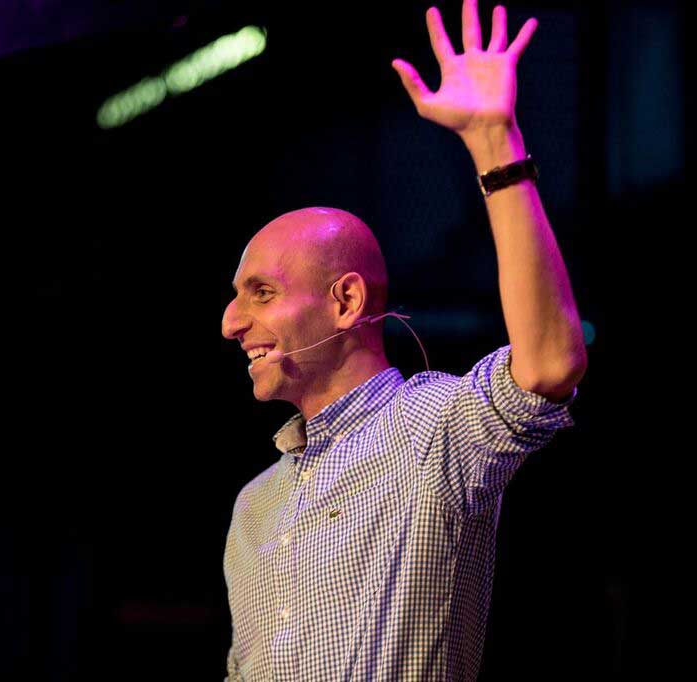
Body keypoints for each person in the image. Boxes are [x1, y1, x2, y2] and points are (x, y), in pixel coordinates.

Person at [220, 1, 588, 679]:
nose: (230, 322)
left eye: (261, 293)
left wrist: (495, 143)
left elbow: (549, 363)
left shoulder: (433, 430)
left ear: (346, 302)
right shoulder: (255, 507)